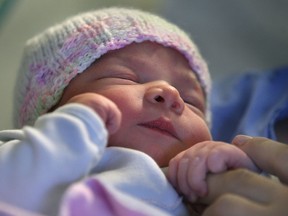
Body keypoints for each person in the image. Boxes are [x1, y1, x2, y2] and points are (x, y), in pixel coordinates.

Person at [0, 7, 257, 216]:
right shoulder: (26, 151)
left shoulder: (194, 197)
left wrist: (228, 181)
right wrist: (69, 130)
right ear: (51, 107)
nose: (170, 94)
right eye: (125, 77)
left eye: (192, 101)